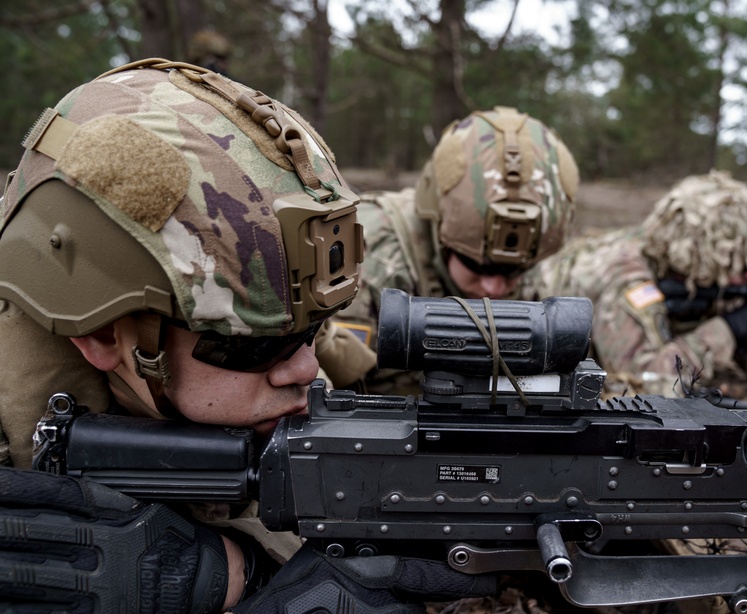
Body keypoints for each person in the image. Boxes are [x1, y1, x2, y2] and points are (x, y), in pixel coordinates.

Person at [0, 59, 490, 613]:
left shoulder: (270, 372)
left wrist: (245, 575)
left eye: (314, 332)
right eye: (253, 347)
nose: (305, 370)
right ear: (104, 334)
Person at [520, 171, 747, 398]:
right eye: (739, 264)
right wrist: (726, 332)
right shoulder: (626, 277)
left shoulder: (702, 281)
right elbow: (641, 388)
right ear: (703, 255)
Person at [324, 105, 579, 393]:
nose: (494, 287)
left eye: (514, 272)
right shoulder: (371, 254)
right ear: (437, 227)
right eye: (477, 266)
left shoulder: (536, 261)